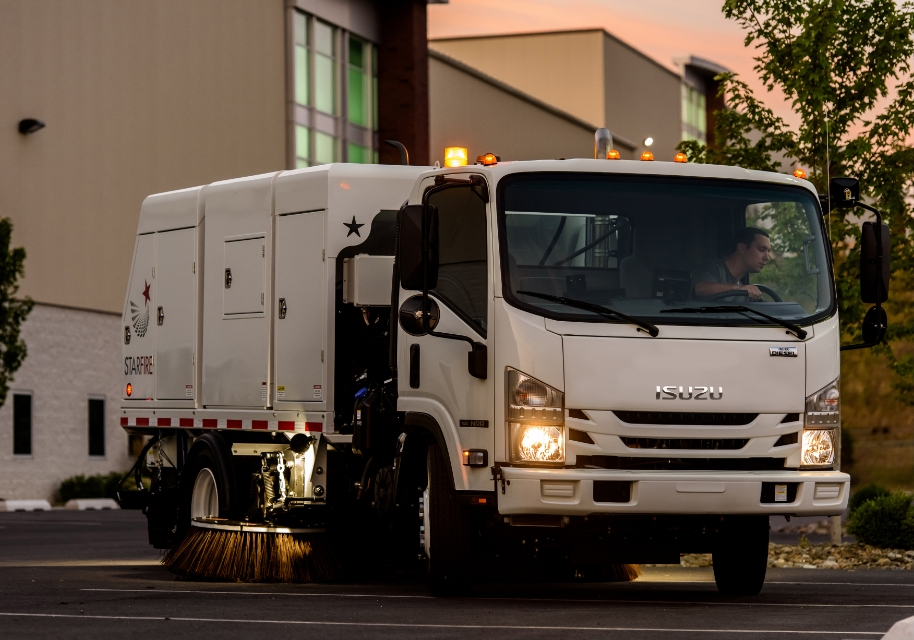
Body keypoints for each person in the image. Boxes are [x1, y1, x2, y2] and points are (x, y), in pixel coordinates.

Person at [693, 227, 771, 301]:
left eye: (768, 251)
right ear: (742, 248)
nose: (767, 257)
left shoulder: (744, 294)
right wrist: (739, 288)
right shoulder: (714, 268)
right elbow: (701, 289)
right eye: (761, 249)